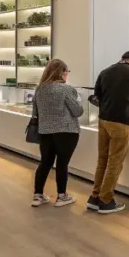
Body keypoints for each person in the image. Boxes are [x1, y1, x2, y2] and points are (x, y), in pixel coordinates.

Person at [88, 50, 129, 214]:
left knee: (102, 159)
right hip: (122, 122)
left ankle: (95, 197)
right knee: (115, 162)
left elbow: (97, 96)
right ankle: (106, 200)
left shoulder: (105, 71)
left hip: (103, 120)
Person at [32, 59, 83, 208]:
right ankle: (62, 196)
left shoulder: (40, 89)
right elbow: (78, 111)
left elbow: (35, 112)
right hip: (66, 131)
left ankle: (37, 195)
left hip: (45, 130)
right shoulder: (66, 89)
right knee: (62, 164)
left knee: (45, 162)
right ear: (62, 72)